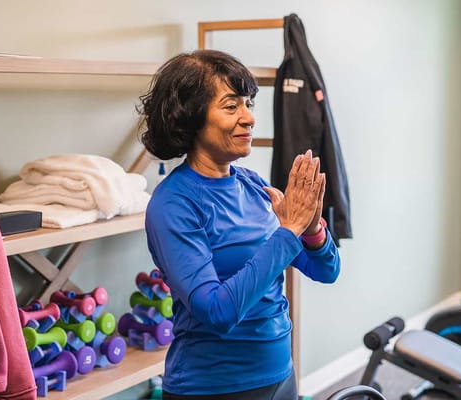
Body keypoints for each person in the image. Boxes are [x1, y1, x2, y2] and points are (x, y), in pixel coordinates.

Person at [139, 49, 341, 400]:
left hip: (280, 373)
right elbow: (217, 310)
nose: (248, 118)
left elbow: (327, 271)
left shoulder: (252, 184)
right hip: (214, 387)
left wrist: (311, 231)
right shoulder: (173, 203)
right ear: (192, 117)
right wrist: (288, 231)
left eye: (249, 104)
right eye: (231, 106)